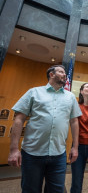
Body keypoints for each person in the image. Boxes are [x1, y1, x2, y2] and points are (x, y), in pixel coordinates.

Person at [8, 65, 82, 193]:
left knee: (56, 190)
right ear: (51, 75)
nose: (65, 75)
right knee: (30, 190)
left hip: (58, 155)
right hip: (32, 154)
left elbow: (74, 121)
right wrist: (14, 149)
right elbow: (19, 119)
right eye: (61, 72)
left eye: (65, 73)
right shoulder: (34, 92)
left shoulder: (70, 97)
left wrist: (75, 147)